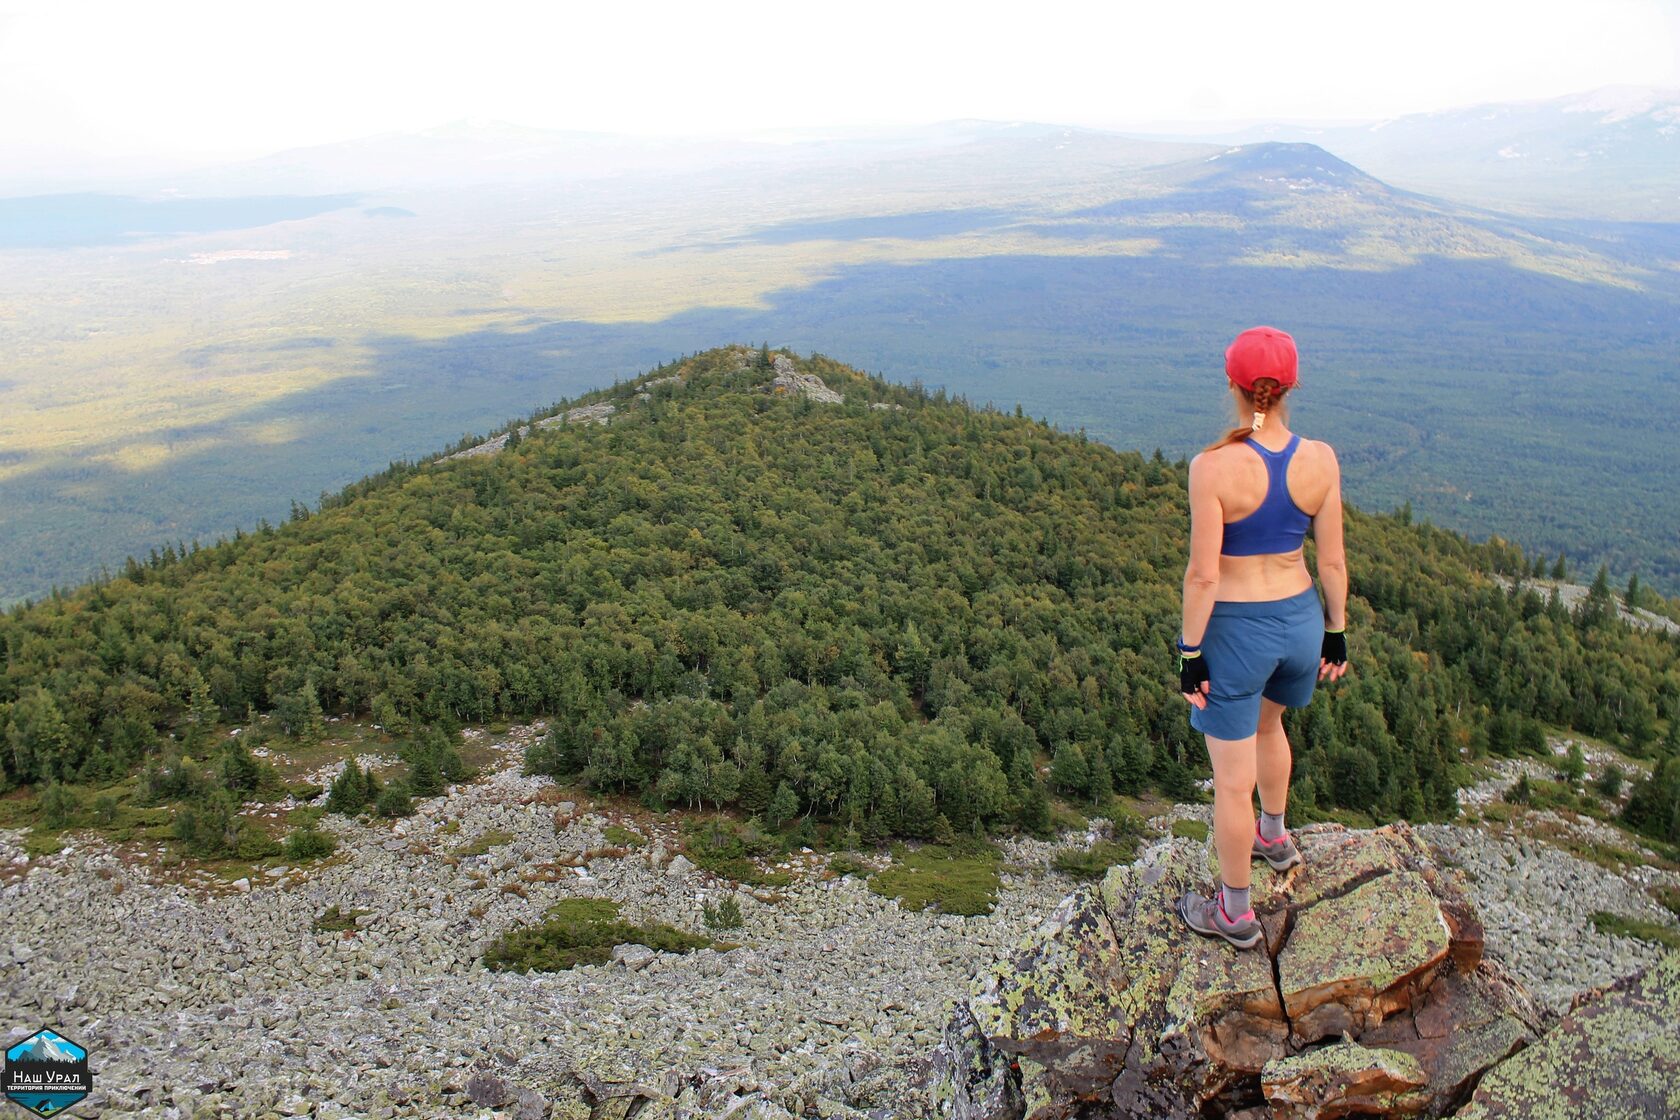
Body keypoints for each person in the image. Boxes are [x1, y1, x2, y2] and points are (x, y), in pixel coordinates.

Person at [1174, 326, 1349, 950]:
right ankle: (1274, 835)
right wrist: (1336, 634)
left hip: (1237, 632)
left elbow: (1203, 574)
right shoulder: (1321, 459)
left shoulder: (1213, 467)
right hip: (1301, 622)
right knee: (1271, 727)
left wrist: (1190, 653)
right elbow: (1332, 563)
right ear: (1289, 386)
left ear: (1235, 385)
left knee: (1229, 781)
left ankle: (1235, 913)